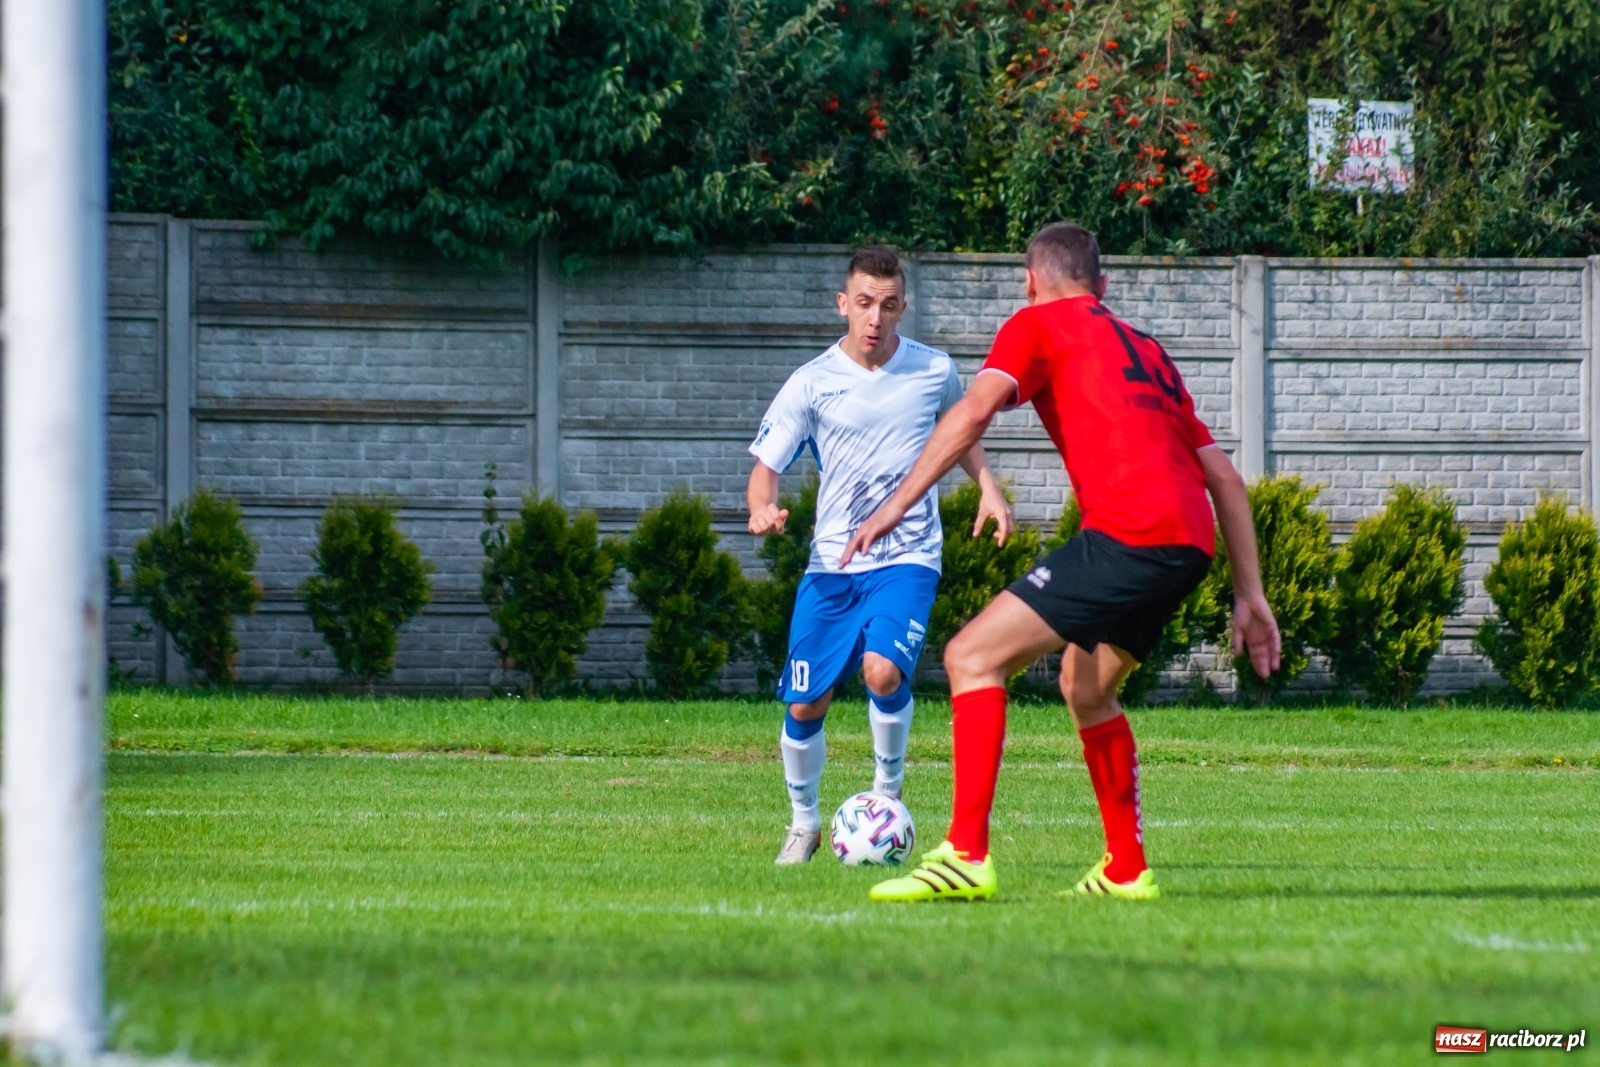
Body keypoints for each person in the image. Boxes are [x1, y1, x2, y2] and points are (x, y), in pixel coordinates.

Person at [840, 222, 1281, 901]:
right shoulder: (1148, 349)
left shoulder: (1036, 322)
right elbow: (1224, 477)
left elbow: (971, 413)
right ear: (1102, 286)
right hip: (1188, 543)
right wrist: (1249, 594)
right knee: (1085, 684)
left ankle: (964, 854)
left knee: (971, 656)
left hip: (1130, 531)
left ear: (1030, 280)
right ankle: (1128, 868)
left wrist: (895, 505)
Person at [748, 245, 1013, 866]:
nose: (875, 317)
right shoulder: (810, 382)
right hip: (833, 567)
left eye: (888, 306)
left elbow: (961, 433)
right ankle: (803, 823)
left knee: (882, 672)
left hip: (909, 556)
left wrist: (989, 488)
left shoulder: (933, 370)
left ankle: (886, 794)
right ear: (844, 304)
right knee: (805, 702)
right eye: (864, 303)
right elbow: (765, 468)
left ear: (902, 308)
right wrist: (764, 507)